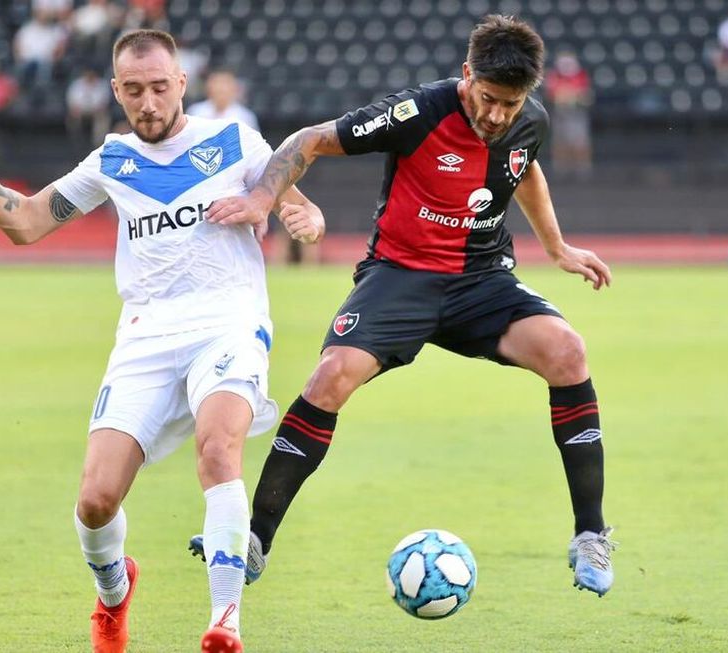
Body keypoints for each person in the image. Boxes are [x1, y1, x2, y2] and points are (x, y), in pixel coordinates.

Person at [0, 29, 324, 653]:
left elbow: (303, 207)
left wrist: (305, 217)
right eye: (134, 90)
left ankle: (226, 621)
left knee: (220, 450)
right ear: (117, 91)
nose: (149, 102)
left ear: (181, 83)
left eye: (160, 87)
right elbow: (26, 223)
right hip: (145, 337)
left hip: (228, 322)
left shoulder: (233, 142)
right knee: (94, 500)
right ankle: (114, 595)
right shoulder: (111, 160)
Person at [192, 14, 617, 597]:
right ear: (467, 75)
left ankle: (590, 534)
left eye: (510, 105)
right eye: (488, 99)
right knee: (330, 377)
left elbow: (526, 171)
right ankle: (255, 538)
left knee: (569, 352)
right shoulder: (419, 112)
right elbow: (309, 140)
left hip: (481, 280)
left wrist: (557, 247)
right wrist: (264, 197)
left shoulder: (529, 122)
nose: (496, 115)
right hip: (400, 278)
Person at [544, 49, 593, 180]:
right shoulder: (554, 75)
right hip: (560, 113)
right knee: (560, 141)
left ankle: (582, 168)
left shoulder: (581, 75)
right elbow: (552, 94)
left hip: (577, 113)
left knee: (579, 140)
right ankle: (560, 168)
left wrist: (571, 95)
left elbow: (586, 96)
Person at [187, 69, 260, 132]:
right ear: (208, 87)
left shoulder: (245, 117)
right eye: (216, 83)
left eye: (225, 83)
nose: (221, 88)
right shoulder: (195, 111)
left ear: (234, 87)